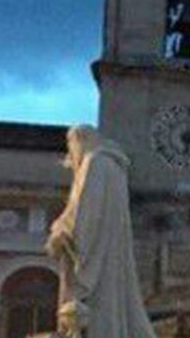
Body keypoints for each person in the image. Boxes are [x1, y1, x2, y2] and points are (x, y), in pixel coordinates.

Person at [47, 126, 156, 338]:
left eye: (71, 146)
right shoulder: (115, 167)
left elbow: (85, 211)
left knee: (93, 311)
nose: (72, 155)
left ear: (79, 141)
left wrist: (61, 232)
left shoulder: (94, 162)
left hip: (94, 256)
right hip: (111, 252)